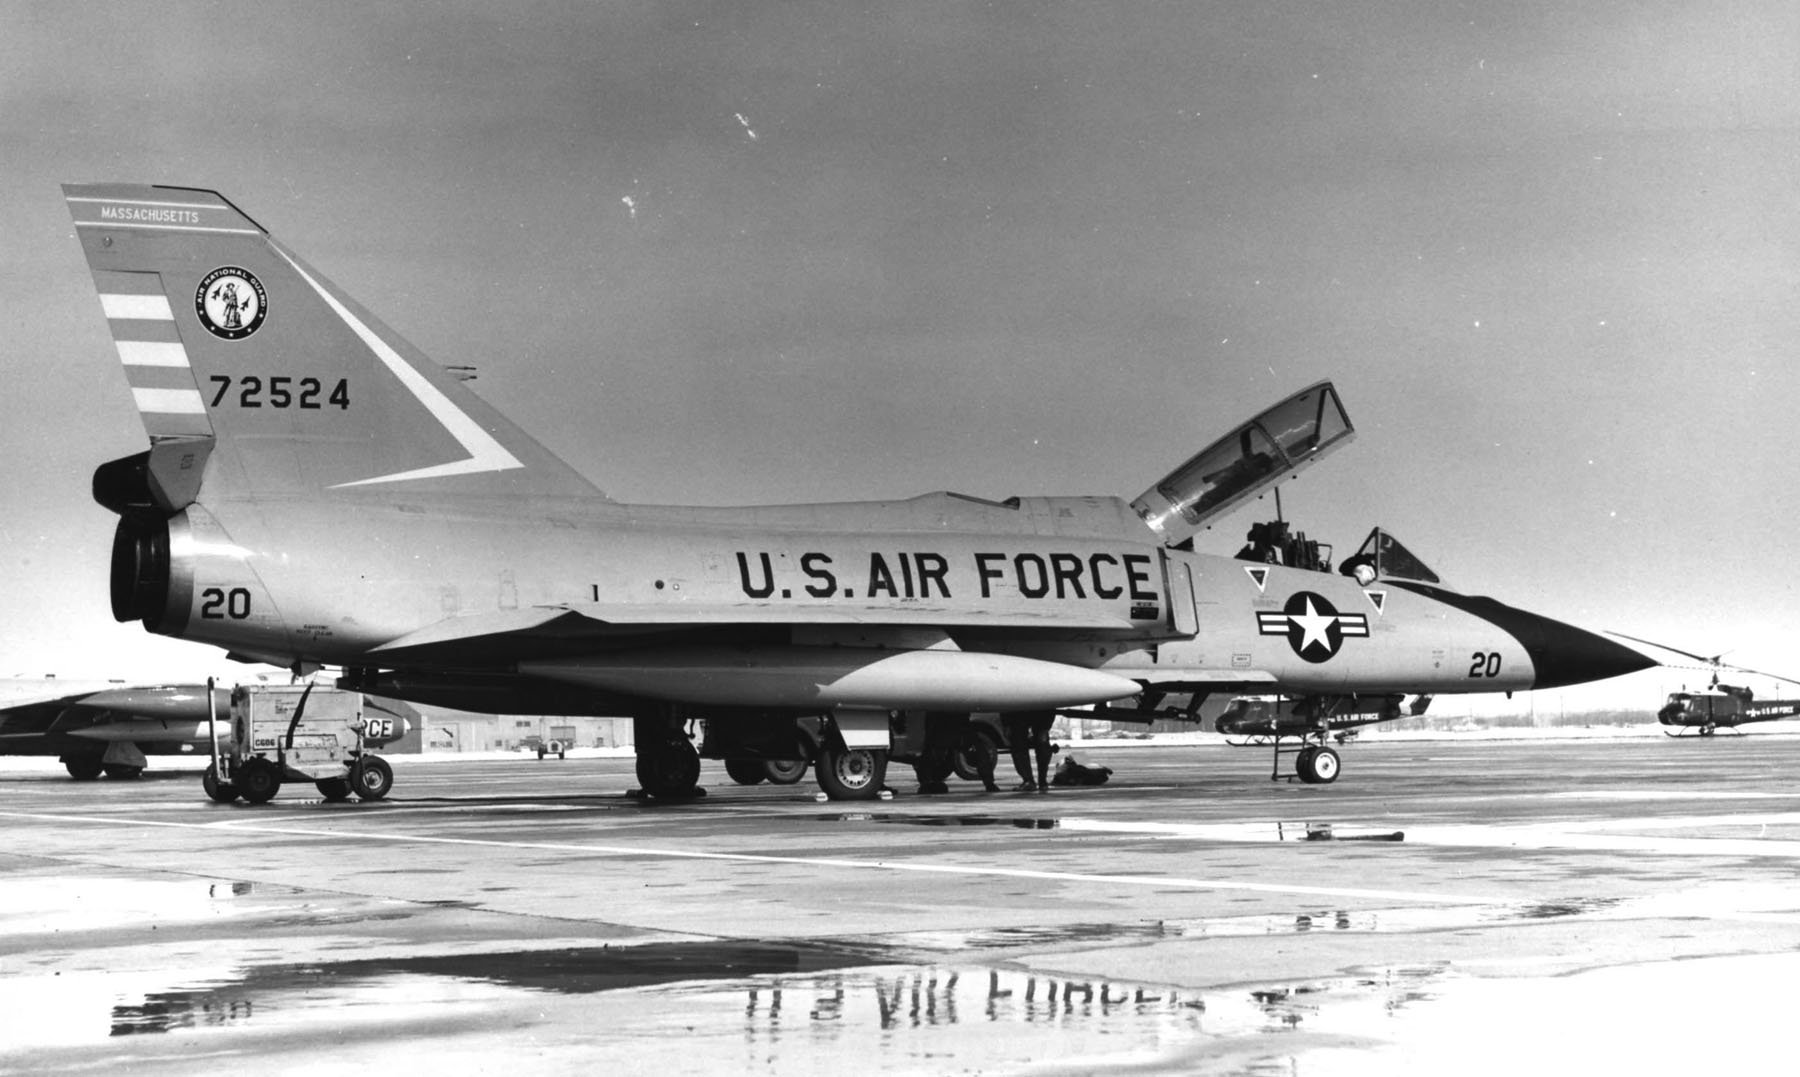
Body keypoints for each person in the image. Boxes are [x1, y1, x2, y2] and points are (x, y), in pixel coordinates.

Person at [1002, 712, 1036, 791]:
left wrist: (1006, 724)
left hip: (1017, 724)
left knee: (1019, 753)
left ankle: (1028, 780)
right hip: (1019, 723)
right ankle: (1028, 780)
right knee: (1019, 753)